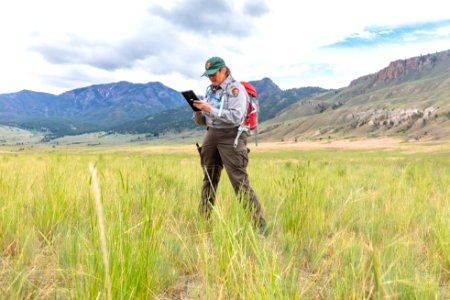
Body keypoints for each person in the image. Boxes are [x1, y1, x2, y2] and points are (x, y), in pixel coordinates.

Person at [192, 56, 266, 234]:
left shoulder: (236, 90)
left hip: (232, 136)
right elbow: (206, 120)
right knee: (209, 179)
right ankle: (204, 222)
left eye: (214, 73)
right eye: (208, 75)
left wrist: (210, 109)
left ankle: (259, 226)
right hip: (211, 134)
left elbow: (236, 116)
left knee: (239, 182)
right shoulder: (210, 91)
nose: (211, 77)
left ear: (224, 70)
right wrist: (199, 114)